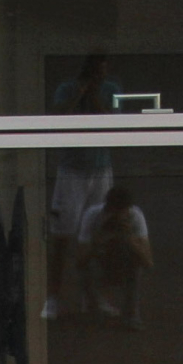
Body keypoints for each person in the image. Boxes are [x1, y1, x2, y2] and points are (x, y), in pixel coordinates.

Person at [43, 53, 120, 322]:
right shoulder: (68, 88)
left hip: (100, 169)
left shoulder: (111, 89)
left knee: (96, 236)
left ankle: (92, 297)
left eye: (104, 73)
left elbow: (112, 121)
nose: (101, 77)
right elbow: (58, 117)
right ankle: (52, 299)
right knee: (62, 236)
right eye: (96, 73)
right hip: (72, 170)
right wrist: (80, 92)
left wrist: (96, 94)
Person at [79, 184, 153, 328]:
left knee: (135, 262)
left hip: (123, 266)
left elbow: (148, 262)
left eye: (123, 212)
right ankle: (95, 309)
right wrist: (101, 238)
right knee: (87, 267)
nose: (119, 217)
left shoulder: (135, 216)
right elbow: (79, 261)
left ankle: (131, 315)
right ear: (107, 209)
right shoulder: (92, 215)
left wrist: (129, 238)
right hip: (101, 265)